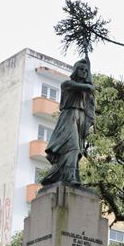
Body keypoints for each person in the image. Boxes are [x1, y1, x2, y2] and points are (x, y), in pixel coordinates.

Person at [43, 57, 95, 186]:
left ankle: (55, 175)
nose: (83, 72)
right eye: (81, 69)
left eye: (86, 70)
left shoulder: (84, 89)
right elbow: (88, 88)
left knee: (76, 150)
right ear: (76, 70)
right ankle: (70, 176)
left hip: (81, 117)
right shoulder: (67, 84)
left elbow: (90, 95)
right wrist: (90, 80)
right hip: (69, 116)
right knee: (73, 147)